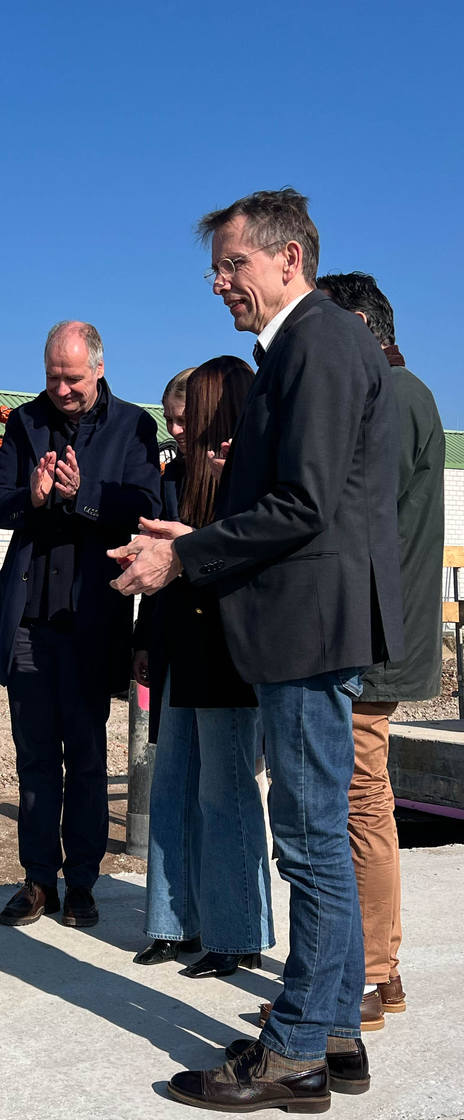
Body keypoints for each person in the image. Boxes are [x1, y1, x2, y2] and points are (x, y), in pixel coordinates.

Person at [110, 189, 403, 1112]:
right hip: (308, 625)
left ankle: (292, 1052)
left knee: (312, 840)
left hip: (307, 630)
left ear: (289, 259)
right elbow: (296, 500)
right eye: (217, 268)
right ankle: (337, 1032)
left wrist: (186, 554)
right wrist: (193, 529)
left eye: (234, 264)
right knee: (319, 836)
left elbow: (307, 503)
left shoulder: (315, 341)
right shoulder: (307, 346)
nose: (220, 282)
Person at [0, 320, 161, 929]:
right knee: (35, 759)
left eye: (73, 377)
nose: (61, 388)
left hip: (92, 620)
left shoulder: (135, 426)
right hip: (30, 622)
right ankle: (37, 881)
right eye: (53, 376)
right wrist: (31, 497)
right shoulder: (24, 422)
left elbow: (146, 510)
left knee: (84, 757)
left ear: (100, 369)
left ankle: (82, 882)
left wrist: (84, 496)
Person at [316, 271, 445, 1026]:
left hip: (373, 639)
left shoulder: (391, 398)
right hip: (380, 633)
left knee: (361, 805)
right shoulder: (411, 393)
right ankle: (381, 970)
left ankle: (368, 974)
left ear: (362, 325)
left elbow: (351, 513)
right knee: (365, 802)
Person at [131, 358, 275, 975]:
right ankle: (171, 922)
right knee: (171, 789)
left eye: (187, 420)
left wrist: (193, 543)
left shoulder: (248, 477)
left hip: (229, 651)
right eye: (171, 422)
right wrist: (143, 642)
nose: (179, 432)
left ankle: (237, 932)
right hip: (176, 647)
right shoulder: (174, 475)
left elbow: (249, 559)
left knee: (227, 795)